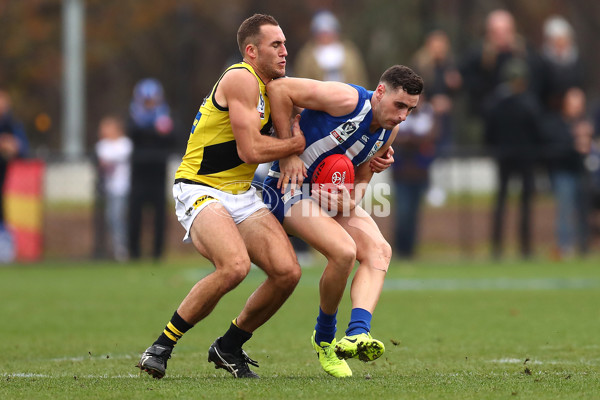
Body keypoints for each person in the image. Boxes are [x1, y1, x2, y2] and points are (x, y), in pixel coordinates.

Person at [136, 14, 306, 380]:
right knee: (234, 267)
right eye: (275, 45)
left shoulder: (276, 86)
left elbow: (324, 112)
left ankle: (229, 346)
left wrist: (375, 148)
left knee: (288, 272)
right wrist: (294, 145)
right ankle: (162, 345)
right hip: (200, 187)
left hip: (241, 193)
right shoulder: (241, 78)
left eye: (285, 44)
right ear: (251, 50)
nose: (284, 52)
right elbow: (249, 150)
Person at [264, 65, 423, 377]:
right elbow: (279, 89)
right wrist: (287, 153)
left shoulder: (390, 131)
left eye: (411, 109)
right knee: (345, 252)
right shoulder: (345, 99)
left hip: (325, 199)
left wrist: (349, 199)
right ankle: (324, 339)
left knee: (380, 251)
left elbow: (359, 182)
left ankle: (357, 333)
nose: (403, 116)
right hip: (286, 189)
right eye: (399, 105)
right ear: (380, 92)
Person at [483, 58, 544, 259]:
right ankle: (522, 248)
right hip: (523, 157)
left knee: (504, 202)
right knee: (520, 203)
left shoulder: (497, 101)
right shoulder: (527, 102)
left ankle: (501, 248)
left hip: (506, 156)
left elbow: (488, 132)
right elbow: (537, 130)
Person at [541, 87, 593, 259]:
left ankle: (584, 245)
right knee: (565, 210)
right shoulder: (558, 123)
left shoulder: (586, 123)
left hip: (582, 172)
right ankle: (565, 246)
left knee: (583, 210)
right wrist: (573, 143)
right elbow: (554, 146)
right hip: (564, 172)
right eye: (573, 103)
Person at [127, 78, 175, 261]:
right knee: (135, 215)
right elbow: (133, 133)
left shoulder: (165, 115)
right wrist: (155, 131)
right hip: (138, 174)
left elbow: (172, 136)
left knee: (160, 216)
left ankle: (157, 253)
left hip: (158, 174)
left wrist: (157, 130)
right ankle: (134, 253)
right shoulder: (133, 115)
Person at [391, 93, 440, 259]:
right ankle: (400, 249)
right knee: (403, 211)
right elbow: (395, 137)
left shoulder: (428, 113)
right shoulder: (400, 113)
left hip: (420, 171)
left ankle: (410, 250)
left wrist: (410, 140)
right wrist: (416, 141)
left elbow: (432, 135)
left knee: (414, 213)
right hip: (402, 172)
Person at [294, 10, 369, 87]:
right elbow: (302, 81)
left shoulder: (349, 52)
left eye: (329, 32)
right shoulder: (307, 55)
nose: (325, 36)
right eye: (322, 33)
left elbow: (358, 77)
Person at [95, 116, 132, 262]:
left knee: (119, 218)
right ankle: (115, 249)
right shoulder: (103, 145)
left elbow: (113, 157)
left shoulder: (125, 144)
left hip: (122, 188)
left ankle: (122, 250)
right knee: (111, 219)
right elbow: (103, 157)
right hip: (109, 188)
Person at [0, 89, 29, 263]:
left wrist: (13, 146)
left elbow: (24, 149)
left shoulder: (12, 125)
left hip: (5, 177)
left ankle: (5, 250)